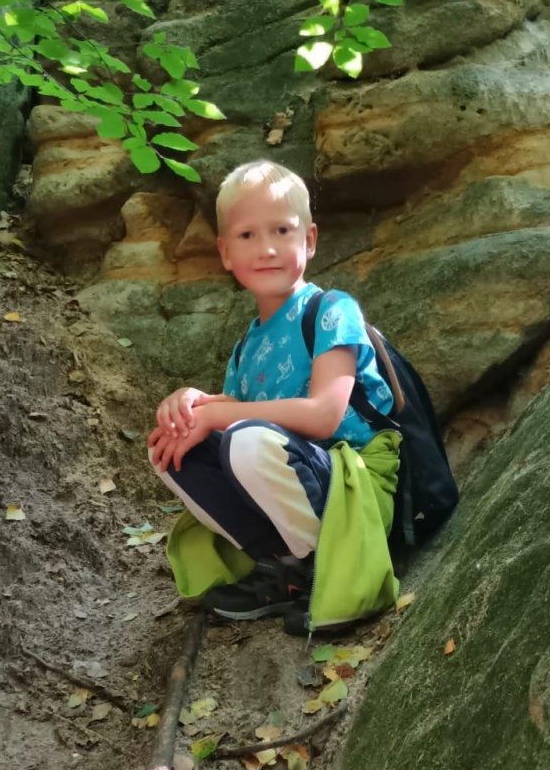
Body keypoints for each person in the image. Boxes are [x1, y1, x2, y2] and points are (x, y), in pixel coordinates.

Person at [147, 160, 401, 636]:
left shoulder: (331, 310)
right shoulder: (247, 345)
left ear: (309, 239)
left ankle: (323, 566)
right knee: (171, 444)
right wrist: (195, 403)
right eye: (247, 235)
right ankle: (282, 565)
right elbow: (233, 417)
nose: (266, 248)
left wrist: (220, 415)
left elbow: (324, 416)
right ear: (225, 252)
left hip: (355, 485)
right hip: (293, 479)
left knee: (246, 440)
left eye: (282, 230)